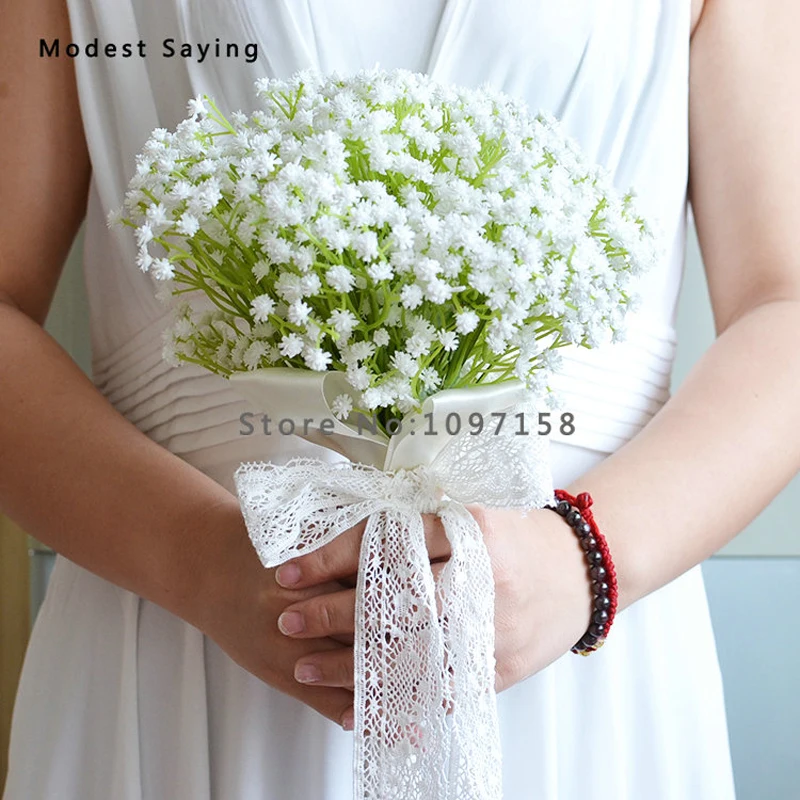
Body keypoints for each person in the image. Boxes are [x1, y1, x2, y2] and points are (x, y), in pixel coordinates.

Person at [2, 0, 798, 797]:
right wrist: (198, 563)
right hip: (176, 620)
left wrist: (580, 565)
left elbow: (784, 307)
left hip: (580, 640)